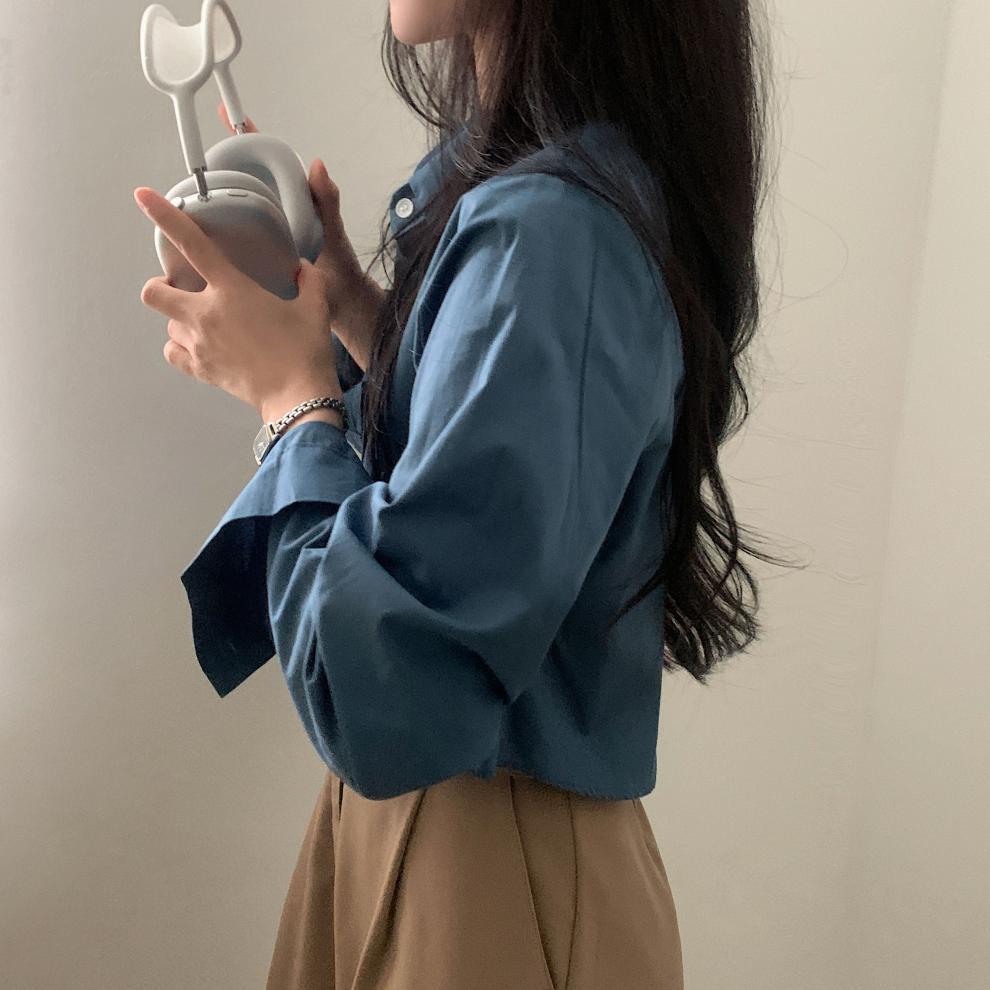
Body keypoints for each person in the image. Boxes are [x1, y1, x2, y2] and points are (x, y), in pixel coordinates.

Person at [140, 0, 785, 986]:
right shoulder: (540, 202)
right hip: (448, 837)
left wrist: (289, 403)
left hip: (485, 868)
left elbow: (384, 690)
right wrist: (352, 314)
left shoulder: (553, 233)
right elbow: (471, 481)